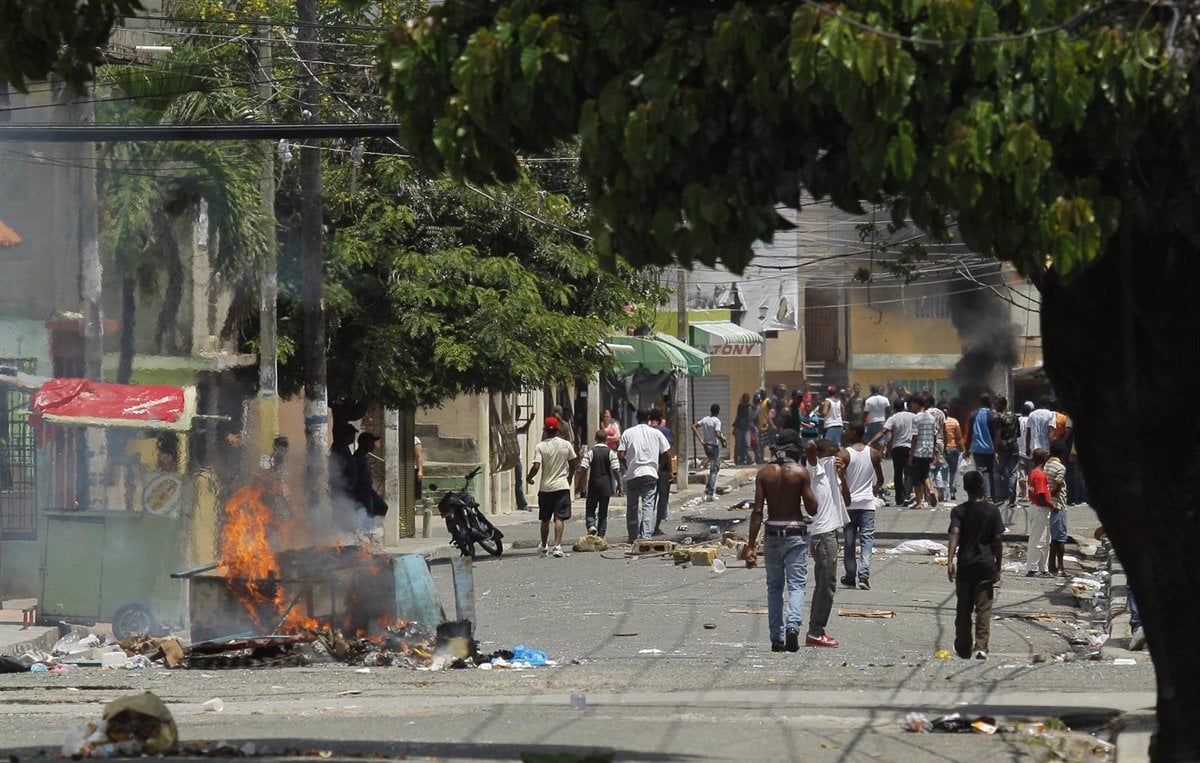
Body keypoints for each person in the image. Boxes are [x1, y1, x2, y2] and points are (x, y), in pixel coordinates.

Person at [743, 430, 818, 652]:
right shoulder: (800, 473)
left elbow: (757, 512)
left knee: (774, 588)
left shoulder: (764, 474)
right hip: (795, 533)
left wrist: (750, 545)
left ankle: (776, 638)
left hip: (773, 533)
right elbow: (813, 509)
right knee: (796, 585)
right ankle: (793, 627)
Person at [947, 470, 1005, 660]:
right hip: (985, 566)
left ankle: (963, 647)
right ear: (982, 487)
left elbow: (954, 534)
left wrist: (949, 561)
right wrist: (998, 565)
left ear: (965, 488)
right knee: (983, 609)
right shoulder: (993, 511)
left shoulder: (959, 511)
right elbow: (998, 540)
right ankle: (980, 646)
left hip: (965, 565)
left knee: (963, 610)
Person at [804, 438, 852, 647]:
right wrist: (814, 441)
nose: (839, 455)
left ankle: (817, 629)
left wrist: (843, 474)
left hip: (832, 532)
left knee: (827, 582)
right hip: (822, 534)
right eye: (834, 453)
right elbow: (810, 449)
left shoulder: (832, 472)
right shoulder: (814, 469)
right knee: (826, 583)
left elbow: (847, 501)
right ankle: (815, 631)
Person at [527, 417, 579, 558]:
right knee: (559, 517)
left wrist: (528, 477)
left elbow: (536, 466)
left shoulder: (540, 446)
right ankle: (557, 546)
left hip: (545, 488)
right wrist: (569, 477)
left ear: (545, 430)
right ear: (558, 429)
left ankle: (544, 545)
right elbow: (573, 463)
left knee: (545, 519)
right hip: (562, 486)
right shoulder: (566, 445)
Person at [841, 423, 884, 590]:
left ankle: (850, 576)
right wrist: (874, 489)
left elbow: (841, 480)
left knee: (849, 542)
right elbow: (880, 479)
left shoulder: (844, 454)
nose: (845, 433)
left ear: (854, 433)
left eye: (847, 430)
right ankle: (864, 575)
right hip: (867, 504)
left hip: (850, 505)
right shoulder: (873, 454)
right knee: (867, 541)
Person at [618, 408, 672, 542]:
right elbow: (666, 453)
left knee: (632, 506)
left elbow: (621, 454)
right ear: (648, 418)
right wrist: (659, 466)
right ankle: (646, 536)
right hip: (650, 474)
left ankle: (632, 536)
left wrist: (626, 466)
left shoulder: (627, 433)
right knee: (648, 504)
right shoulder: (656, 433)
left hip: (632, 474)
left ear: (636, 417)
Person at [868, 397, 915, 506]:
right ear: (904, 406)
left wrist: (871, 441)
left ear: (894, 407)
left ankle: (899, 499)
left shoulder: (893, 418)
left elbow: (884, 431)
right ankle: (907, 496)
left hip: (897, 448)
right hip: (910, 447)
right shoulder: (913, 416)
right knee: (908, 473)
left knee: (898, 473)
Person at [578, 428, 621, 538]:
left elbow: (583, 468)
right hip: (606, 486)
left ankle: (591, 525)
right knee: (603, 512)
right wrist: (619, 484)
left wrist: (579, 483)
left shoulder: (590, 452)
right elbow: (616, 469)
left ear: (596, 439)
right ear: (606, 439)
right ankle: (601, 535)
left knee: (590, 509)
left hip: (593, 485)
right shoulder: (611, 453)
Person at [964, 393, 999, 498]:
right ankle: (991, 495)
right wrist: (996, 451)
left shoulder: (973, 415)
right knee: (990, 471)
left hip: (977, 448)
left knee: (980, 471)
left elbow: (970, 432)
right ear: (990, 402)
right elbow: (995, 434)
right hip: (990, 448)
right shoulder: (992, 415)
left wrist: (967, 448)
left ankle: (983, 494)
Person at [1025, 448, 1053, 578]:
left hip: (1038, 508)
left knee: (1045, 540)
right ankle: (1033, 568)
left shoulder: (1034, 473)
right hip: (1040, 509)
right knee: (1038, 540)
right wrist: (1052, 505)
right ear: (1044, 459)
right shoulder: (1040, 475)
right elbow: (1041, 496)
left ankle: (1043, 568)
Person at [691, 404, 727, 502]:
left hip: (706, 446)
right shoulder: (717, 421)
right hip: (713, 447)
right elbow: (717, 433)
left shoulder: (705, 419)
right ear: (718, 412)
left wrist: (701, 440)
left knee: (715, 467)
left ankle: (708, 487)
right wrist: (722, 439)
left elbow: (694, 426)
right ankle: (710, 493)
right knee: (714, 470)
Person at [1044, 443, 1069, 577]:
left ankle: (1052, 565)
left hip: (1049, 505)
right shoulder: (1060, 468)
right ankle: (1059, 567)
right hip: (1058, 504)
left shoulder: (1046, 465)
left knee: (1053, 537)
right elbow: (1058, 487)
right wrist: (1050, 497)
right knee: (1059, 538)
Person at [908, 396, 937, 510]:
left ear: (917, 404)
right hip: (928, 450)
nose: (911, 406)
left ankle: (919, 502)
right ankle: (930, 490)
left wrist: (910, 455)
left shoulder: (916, 418)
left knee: (915, 477)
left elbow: (914, 437)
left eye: (912, 404)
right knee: (925, 474)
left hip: (918, 451)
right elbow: (934, 436)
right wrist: (933, 451)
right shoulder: (931, 418)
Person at [994, 396, 1021, 514]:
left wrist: (996, 449)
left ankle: (1000, 496)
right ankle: (1012, 499)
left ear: (1001, 405)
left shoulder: (999, 417)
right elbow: (1018, 433)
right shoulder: (1014, 416)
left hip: (1003, 447)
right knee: (1013, 472)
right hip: (1014, 446)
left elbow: (998, 434)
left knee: (999, 471)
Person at [649, 407, 674, 535]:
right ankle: (656, 526)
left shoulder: (646, 431)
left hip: (649, 468)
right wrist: (670, 470)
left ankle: (646, 525)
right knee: (663, 498)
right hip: (663, 470)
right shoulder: (665, 431)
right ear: (660, 419)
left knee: (649, 498)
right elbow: (667, 453)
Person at [352, 432, 388, 517]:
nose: (373, 446)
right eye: (371, 443)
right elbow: (354, 477)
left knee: (382, 507)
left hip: (368, 490)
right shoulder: (357, 459)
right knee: (368, 514)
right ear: (365, 443)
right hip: (362, 491)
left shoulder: (363, 457)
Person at [940, 405, 963, 502]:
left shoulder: (938, 422)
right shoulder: (954, 422)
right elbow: (958, 437)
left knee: (944, 471)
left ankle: (945, 494)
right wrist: (962, 449)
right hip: (953, 448)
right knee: (953, 471)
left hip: (943, 449)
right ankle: (952, 492)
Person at [733, 392, 755, 466]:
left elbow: (750, 417)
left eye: (748, 398)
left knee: (746, 444)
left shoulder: (749, 407)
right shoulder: (741, 406)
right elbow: (738, 417)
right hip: (739, 427)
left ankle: (747, 459)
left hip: (746, 428)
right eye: (746, 398)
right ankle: (737, 460)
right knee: (739, 445)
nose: (747, 399)